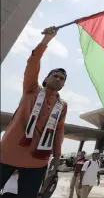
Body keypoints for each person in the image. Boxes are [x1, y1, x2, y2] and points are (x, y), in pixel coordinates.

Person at [0, 27, 67, 198]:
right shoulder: (31, 90)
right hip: (9, 152)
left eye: (62, 79)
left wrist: (57, 156)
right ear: (45, 79)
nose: (58, 79)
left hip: (37, 159)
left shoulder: (62, 105)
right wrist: (46, 41)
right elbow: (32, 64)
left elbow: (59, 131)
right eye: (56, 76)